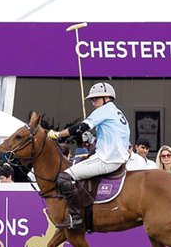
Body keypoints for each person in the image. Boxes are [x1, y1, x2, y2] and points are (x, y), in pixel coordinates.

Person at [47, 82, 130, 229]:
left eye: (96, 99)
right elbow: (110, 138)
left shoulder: (104, 110)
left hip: (106, 159)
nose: (93, 102)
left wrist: (57, 134)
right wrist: (91, 140)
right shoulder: (117, 113)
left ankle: (76, 216)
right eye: (92, 100)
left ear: (106, 98)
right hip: (117, 158)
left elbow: (80, 127)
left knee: (64, 177)